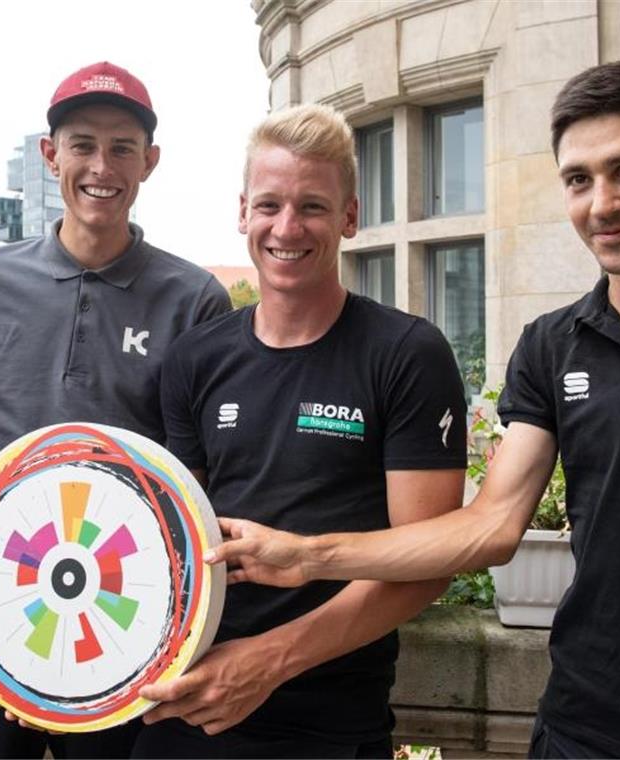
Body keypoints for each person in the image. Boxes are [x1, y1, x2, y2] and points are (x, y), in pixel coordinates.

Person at [206, 61, 620, 759]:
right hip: (583, 727)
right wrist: (308, 556)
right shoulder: (553, 345)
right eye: (579, 179)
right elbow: (490, 527)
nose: (602, 203)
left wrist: (309, 559)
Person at [130, 103, 469, 758]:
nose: (287, 227)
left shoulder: (405, 353)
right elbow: (176, 547)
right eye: (269, 205)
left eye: (312, 206)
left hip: (328, 719)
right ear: (242, 212)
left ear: (349, 216)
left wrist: (268, 661)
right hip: (190, 702)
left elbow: (428, 564)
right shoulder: (195, 359)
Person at [0, 60, 232, 759]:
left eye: (123, 148)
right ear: (49, 153)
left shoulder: (195, 299)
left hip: (126, 616)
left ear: (150, 162)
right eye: (83, 143)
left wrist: (72, 658)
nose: (101, 165)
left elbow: (199, 472)